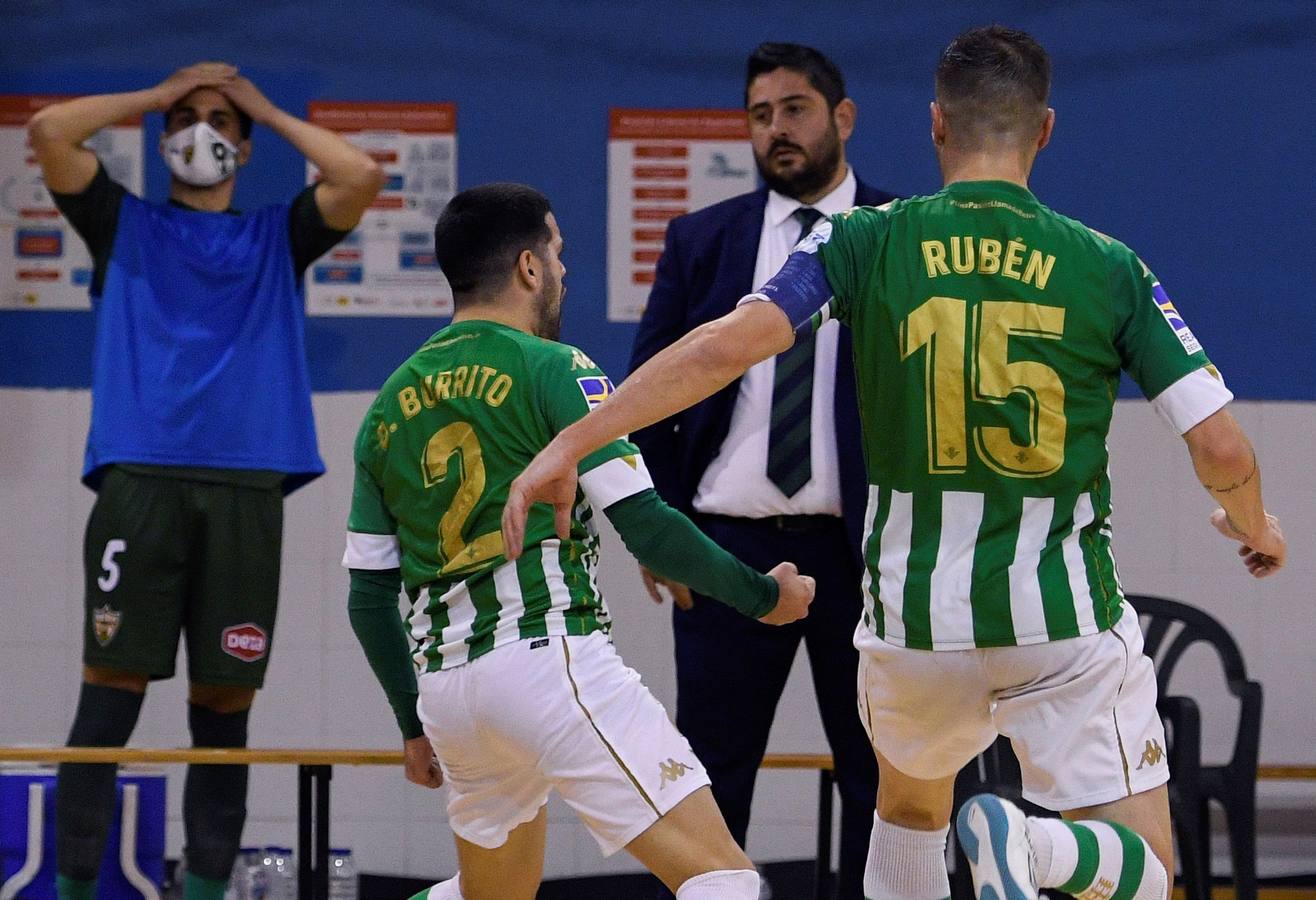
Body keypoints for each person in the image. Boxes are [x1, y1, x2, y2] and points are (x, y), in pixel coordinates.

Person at [503, 25, 1287, 900]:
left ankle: (998, 845)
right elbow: (1220, 446)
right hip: (1056, 619)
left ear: (936, 127)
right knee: (1148, 872)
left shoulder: (863, 240)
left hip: (910, 623)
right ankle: (1038, 852)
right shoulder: (1109, 266)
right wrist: (1253, 525)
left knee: (910, 816)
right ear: (1046, 131)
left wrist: (571, 441)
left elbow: (722, 348)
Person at [342, 183, 815, 900]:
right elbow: (649, 529)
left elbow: (368, 597)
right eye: (558, 253)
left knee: (490, 896)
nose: (564, 272)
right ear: (530, 267)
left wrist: (412, 723)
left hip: (448, 692)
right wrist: (763, 596)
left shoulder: (384, 409)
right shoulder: (557, 369)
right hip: (546, 660)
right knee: (724, 879)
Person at [28, 62, 384, 900]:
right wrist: (156, 96)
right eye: (186, 119)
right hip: (139, 482)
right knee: (107, 699)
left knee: (223, 709)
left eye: (220, 121)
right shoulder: (121, 221)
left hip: (246, 491)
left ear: (247, 143)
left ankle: (206, 894)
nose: (202, 131)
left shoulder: (278, 235)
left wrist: (259, 102)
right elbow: (49, 131)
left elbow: (360, 176)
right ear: (162, 136)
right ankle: (73, 891)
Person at [629, 42, 894, 897]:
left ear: (842, 118)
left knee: (881, 775)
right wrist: (663, 531)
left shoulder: (900, 235)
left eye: (795, 109)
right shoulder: (702, 240)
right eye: (759, 114)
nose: (776, 130)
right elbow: (647, 395)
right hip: (725, 549)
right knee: (707, 776)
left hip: (863, 554)